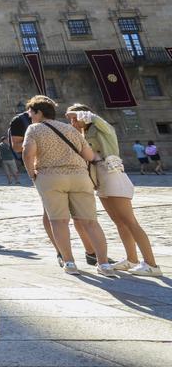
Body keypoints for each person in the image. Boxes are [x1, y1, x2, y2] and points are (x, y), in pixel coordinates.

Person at [21, 95, 116, 276]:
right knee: (91, 222)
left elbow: (28, 153)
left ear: (39, 112)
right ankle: (104, 265)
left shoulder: (34, 129)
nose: (30, 116)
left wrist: (32, 174)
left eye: (31, 113)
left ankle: (70, 263)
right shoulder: (70, 129)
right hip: (79, 177)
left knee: (59, 221)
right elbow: (88, 155)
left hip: (51, 177)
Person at [64, 105, 161, 276]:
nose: (72, 122)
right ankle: (132, 259)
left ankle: (152, 264)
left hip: (113, 176)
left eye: (74, 118)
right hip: (101, 180)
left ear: (83, 116)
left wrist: (73, 112)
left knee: (130, 221)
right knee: (119, 222)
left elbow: (94, 118)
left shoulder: (104, 128)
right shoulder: (83, 135)